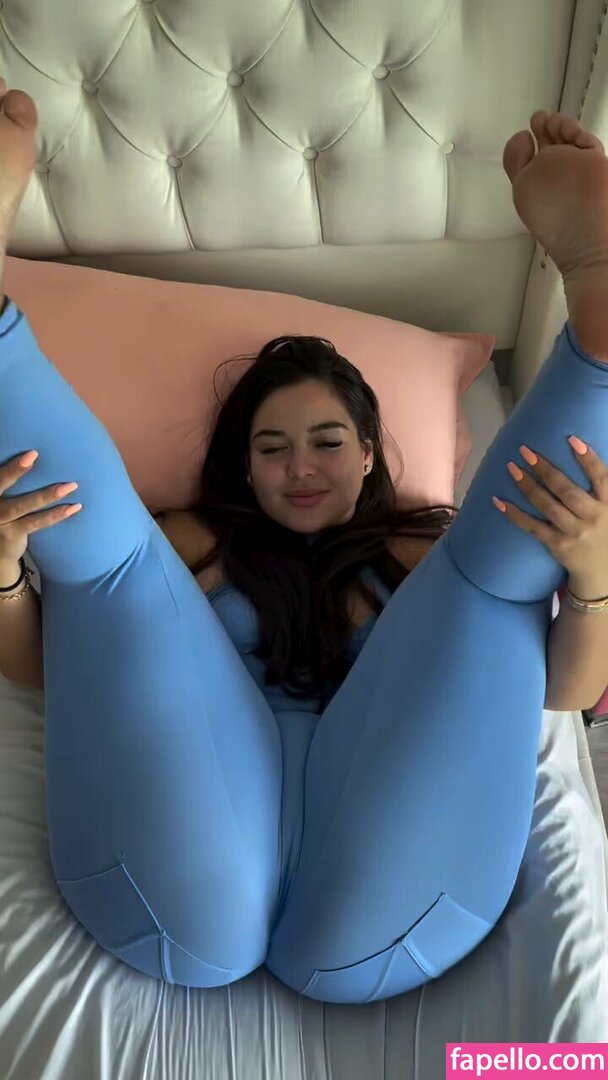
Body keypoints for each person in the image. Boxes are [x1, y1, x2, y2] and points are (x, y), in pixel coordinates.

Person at [1, 83, 608, 1004]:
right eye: (271, 449)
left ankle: (599, 314)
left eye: (327, 442)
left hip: (387, 893)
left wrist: (594, 580)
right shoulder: (186, 542)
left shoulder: (431, 553)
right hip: (178, 875)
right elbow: (60, 671)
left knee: (492, 579)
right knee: (110, 563)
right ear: (243, 470)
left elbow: (558, 692)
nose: (300, 469)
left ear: (368, 455)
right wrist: (7, 578)